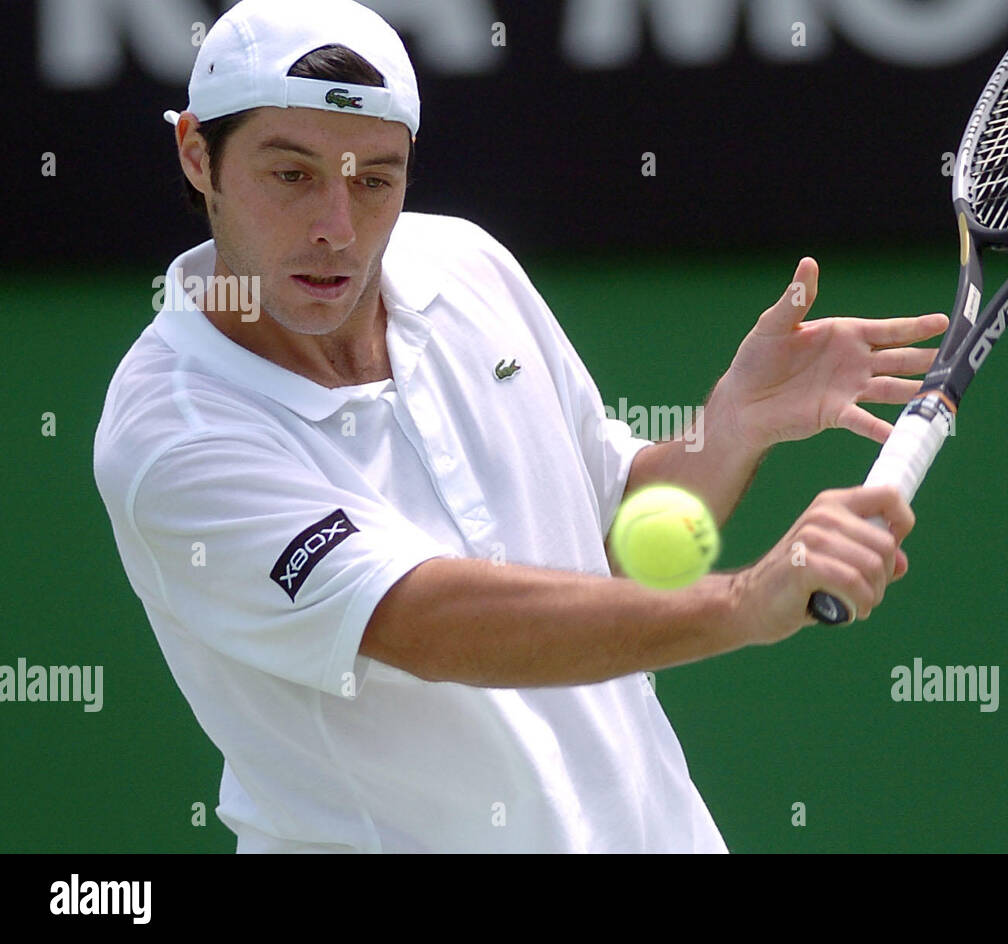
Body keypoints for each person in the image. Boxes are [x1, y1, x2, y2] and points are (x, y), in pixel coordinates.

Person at [93, 0, 946, 853]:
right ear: (198, 154)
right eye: (293, 175)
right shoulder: (172, 435)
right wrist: (743, 604)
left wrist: (730, 428)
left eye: (374, 179)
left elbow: (612, 540)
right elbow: (428, 623)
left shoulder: (465, 265)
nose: (337, 228)